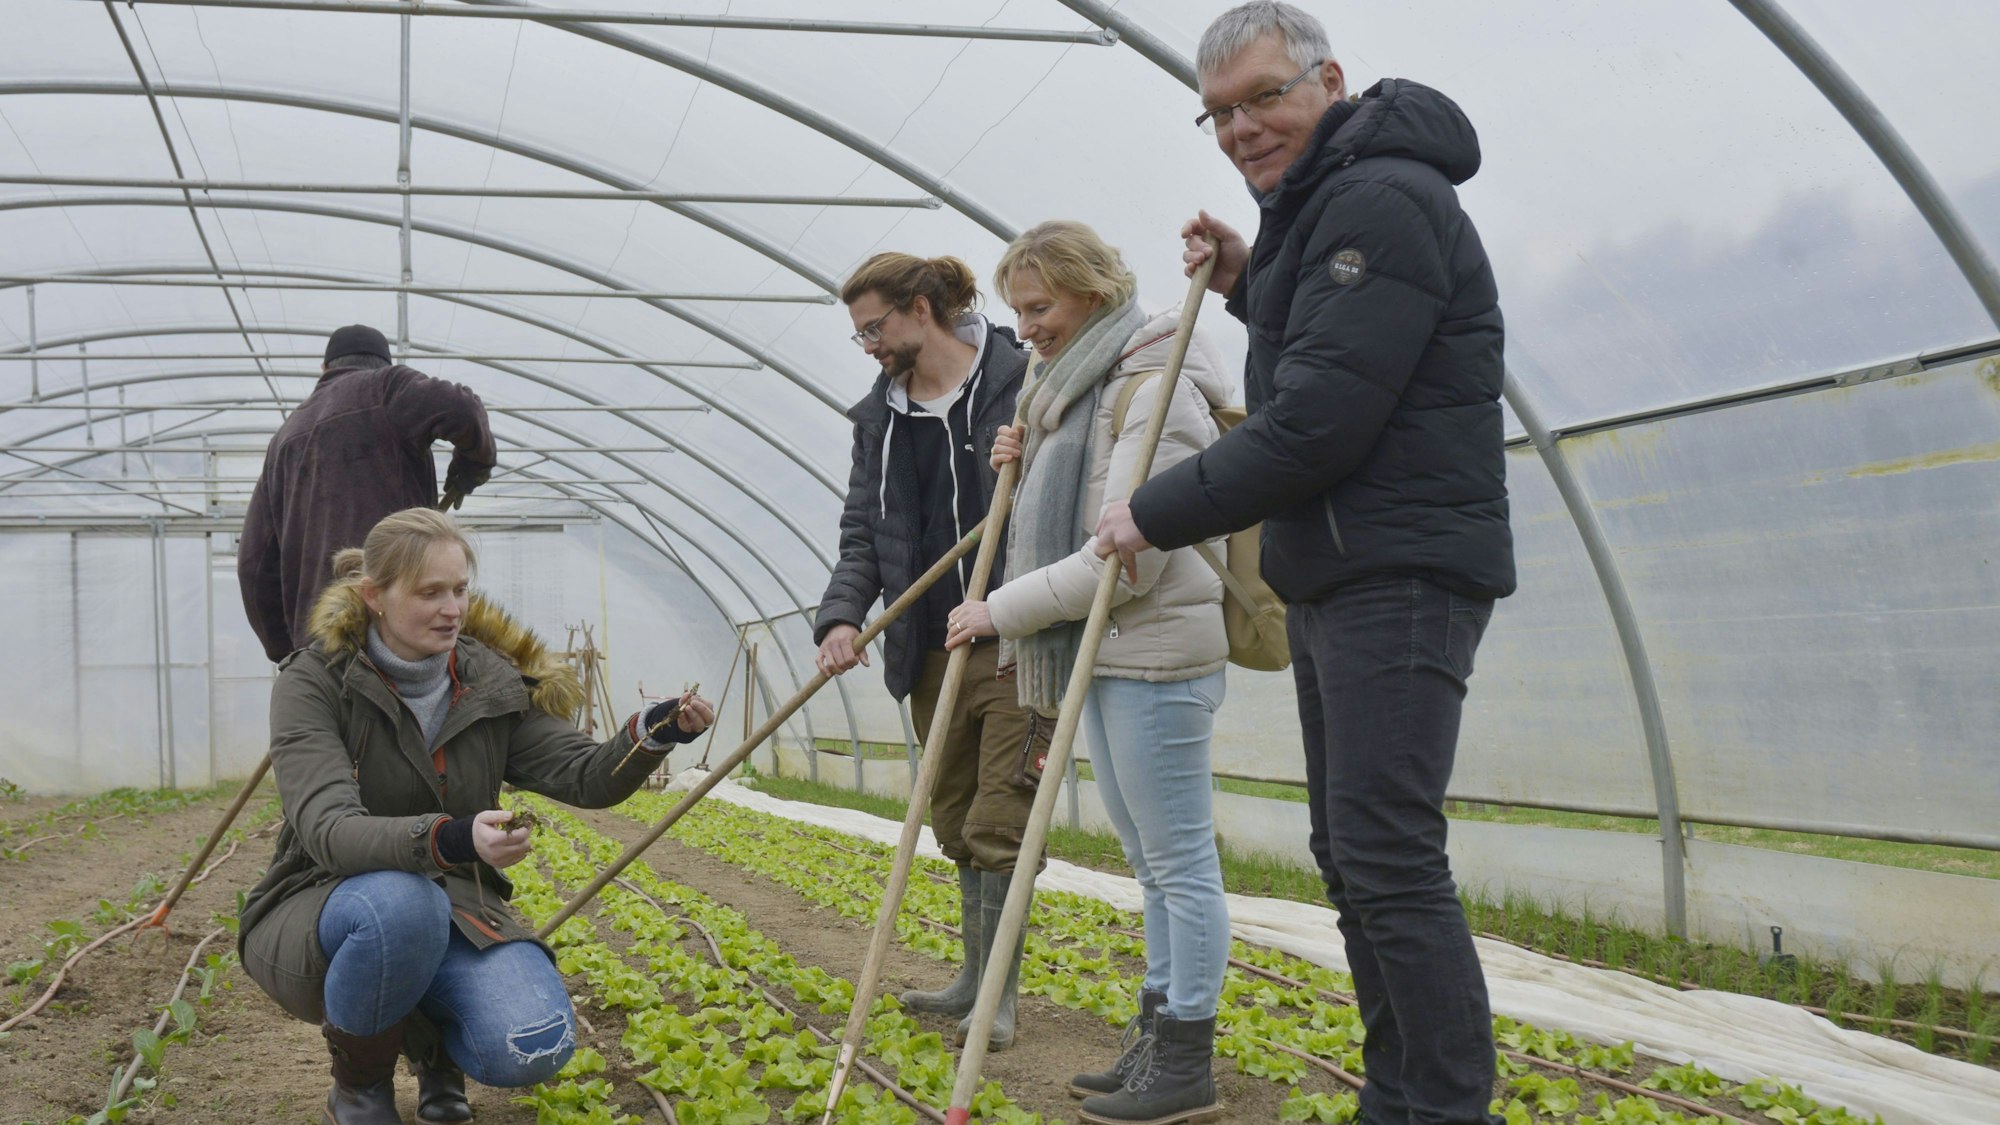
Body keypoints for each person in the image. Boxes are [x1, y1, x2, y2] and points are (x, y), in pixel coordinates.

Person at [1093, 4, 1516, 1123]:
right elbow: (1333, 346)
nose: (1241, 128)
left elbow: (1320, 421)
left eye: (1264, 97)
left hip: (1400, 563)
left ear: (1326, 78)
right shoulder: (1323, 202)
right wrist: (1244, 281)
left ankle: (1437, 1109)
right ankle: (1399, 1099)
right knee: (1355, 851)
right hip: (1344, 565)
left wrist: (1152, 511)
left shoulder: (1380, 195)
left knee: (1385, 851)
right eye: (1219, 113)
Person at [237, 508, 714, 1125]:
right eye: (430, 593)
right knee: (402, 908)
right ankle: (360, 1088)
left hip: (456, 905)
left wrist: (654, 731)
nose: (451, 608)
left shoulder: (487, 681)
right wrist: (456, 837)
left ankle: (438, 1061)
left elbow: (584, 775)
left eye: (460, 589)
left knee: (531, 1045)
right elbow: (329, 831)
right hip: (325, 901)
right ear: (374, 596)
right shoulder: (317, 683)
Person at [944, 221, 1233, 1125]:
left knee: (1180, 860)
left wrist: (999, 610)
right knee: (1150, 862)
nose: (1024, 328)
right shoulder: (1077, 394)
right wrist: (1025, 466)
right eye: (1017, 310)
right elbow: (1081, 523)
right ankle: (1155, 1036)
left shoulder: (1155, 391)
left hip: (1155, 657)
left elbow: (1127, 561)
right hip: (1106, 657)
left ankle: (1186, 1051)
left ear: (1094, 295)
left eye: (1041, 307)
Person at [813, 252, 1043, 1050]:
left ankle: (999, 997)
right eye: (860, 335)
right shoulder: (879, 418)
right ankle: (972, 978)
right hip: (933, 643)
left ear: (921, 309)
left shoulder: (1017, 381)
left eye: (875, 327)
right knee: (950, 814)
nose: (869, 345)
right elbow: (862, 533)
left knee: (1001, 817)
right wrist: (841, 617)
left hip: (1018, 632)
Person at [239, 323, 496, 664]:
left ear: (325, 369)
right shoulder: (386, 388)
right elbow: (462, 408)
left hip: (322, 645)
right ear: (384, 364)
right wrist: (471, 466)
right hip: (398, 637)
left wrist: (290, 652)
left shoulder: (285, 438)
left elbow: (254, 565)